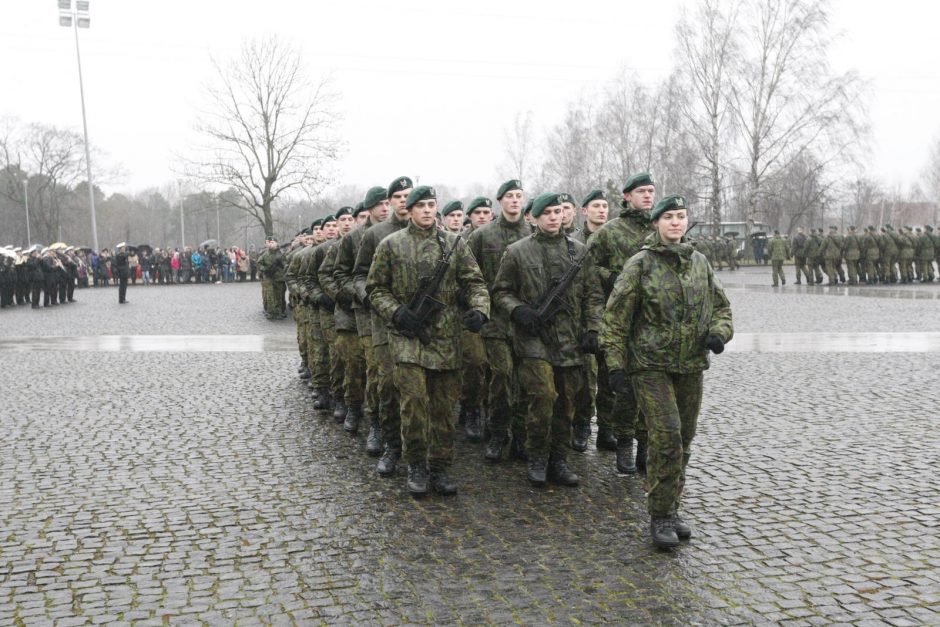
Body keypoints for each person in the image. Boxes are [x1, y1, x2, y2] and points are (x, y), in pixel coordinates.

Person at [600, 194, 733, 549]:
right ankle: (659, 516)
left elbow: (721, 307)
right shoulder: (640, 264)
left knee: (685, 439)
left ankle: (672, 508)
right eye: (668, 217)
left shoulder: (699, 262)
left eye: (681, 216)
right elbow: (614, 319)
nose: (676, 222)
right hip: (650, 366)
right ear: (656, 223)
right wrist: (615, 365)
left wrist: (719, 333)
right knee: (666, 435)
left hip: (690, 364)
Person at [366, 185, 489, 498]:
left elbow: (474, 282)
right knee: (414, 403)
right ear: (409, 209)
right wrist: (396, 313)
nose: (426, 210)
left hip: (445, 338)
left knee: (443, 408)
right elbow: (375, 289)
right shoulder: (391, 245)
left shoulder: (455, 244)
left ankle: (440, 466)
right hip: (406, 339)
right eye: (420, 205)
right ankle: (416, 464)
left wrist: (479, 310)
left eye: (431, 205)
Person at [492, 192, 604, 486]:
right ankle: (537, 455)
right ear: (534, 217)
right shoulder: (517, 251)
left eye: (558, 212)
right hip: (533, 339)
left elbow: (593, 294)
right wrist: (519, 311)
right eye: (547, 213)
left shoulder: (579, 252)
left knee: (566, 402)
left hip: (570, 339)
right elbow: (501, 291)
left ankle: (559, 458)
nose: (554, 217)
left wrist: (593, 328)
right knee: (542, 398)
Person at [587, 171, 655, 473]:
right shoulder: (610, 232)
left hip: (653, 320)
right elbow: (587, 269)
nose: (648, 196)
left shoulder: (660, 228)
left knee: (651, 385)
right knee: (620, 384)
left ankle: (646, 444)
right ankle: (621, 439)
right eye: (642, 191)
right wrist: (611, 277)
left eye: (651, 191)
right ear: (627, 196)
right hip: (620, 317)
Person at [468, 179, 531, 463]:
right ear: (500, 200)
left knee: (526, 382)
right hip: (495, 321)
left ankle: (521, 436)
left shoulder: (533, 232)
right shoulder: (483, 236)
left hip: (527, 321)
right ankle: (497, 432)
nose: (515, 200)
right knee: (502, 378)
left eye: (519, 196)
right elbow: (467, 272)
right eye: (509, 196)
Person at [257, 236, 286, 319]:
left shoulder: (281, 253)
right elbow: (259, 263)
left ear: (277, 243)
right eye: (270, 242)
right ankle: (271, 312)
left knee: (279, 296)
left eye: (273, 242)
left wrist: (282, 264)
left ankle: (279, 312)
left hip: (279, 277)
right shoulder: (265, 254)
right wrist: (264, 269)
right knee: (270, 295)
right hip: (269, 278)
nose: (271, 244)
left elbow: (287, 264)